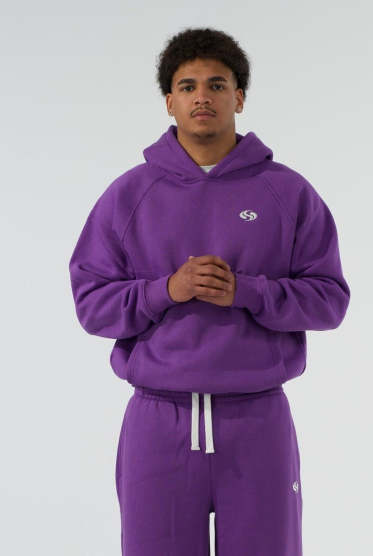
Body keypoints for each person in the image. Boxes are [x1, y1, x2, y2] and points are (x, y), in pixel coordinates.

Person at [68, 27, 350, 556]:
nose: (203, 96)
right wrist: (165, 291)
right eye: (188, 85)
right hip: (159, 421)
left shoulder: (286, 192)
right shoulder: (129, 194)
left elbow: (329, 299)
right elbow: (91, 305)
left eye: (217, 85)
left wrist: (247, 292)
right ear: (169, 101)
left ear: (238, 98)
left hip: (258, 418)